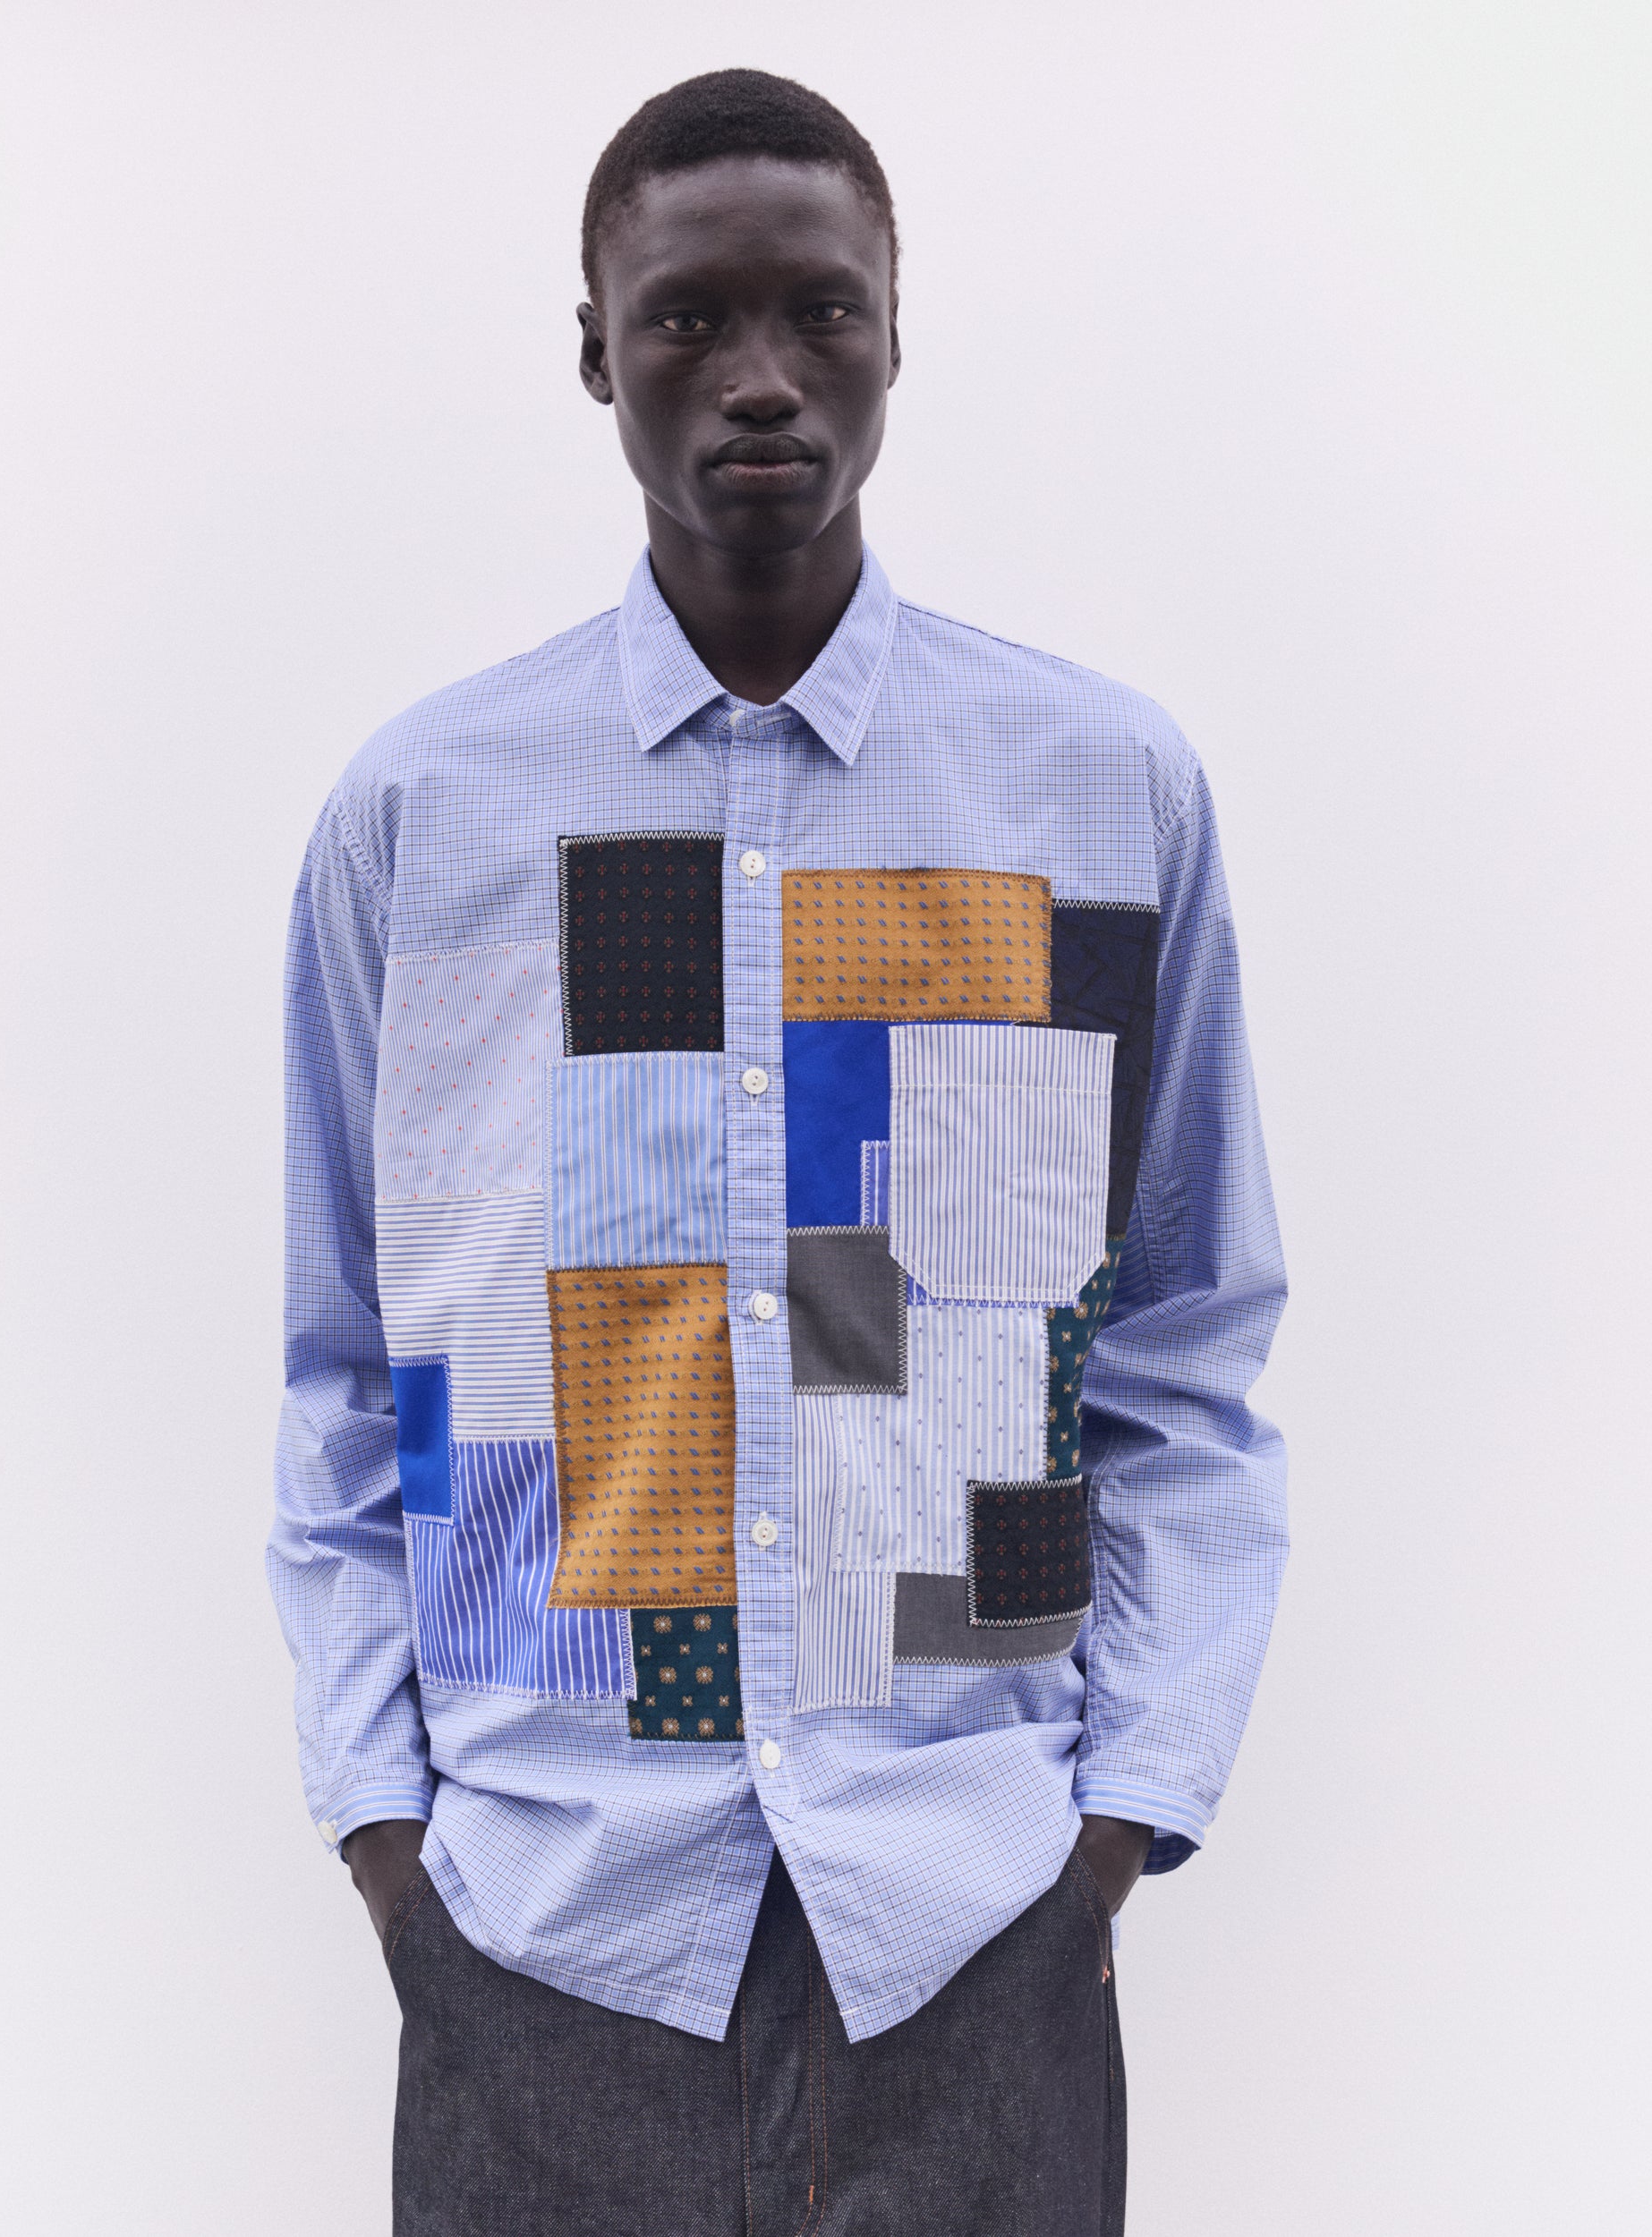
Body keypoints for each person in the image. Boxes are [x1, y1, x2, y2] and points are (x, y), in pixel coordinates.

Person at [269, 66, 1287, 2237]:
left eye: (819, 310)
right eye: (686, 317)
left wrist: (1116, 1819)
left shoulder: (1099, 794)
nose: (759, 375)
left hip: (973, 1936)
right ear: (595, 350)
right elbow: (348, 1370)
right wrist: (386, 1839)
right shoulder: (421, 821)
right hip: (541, 1943)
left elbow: (1184, 1347)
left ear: (896, 330)